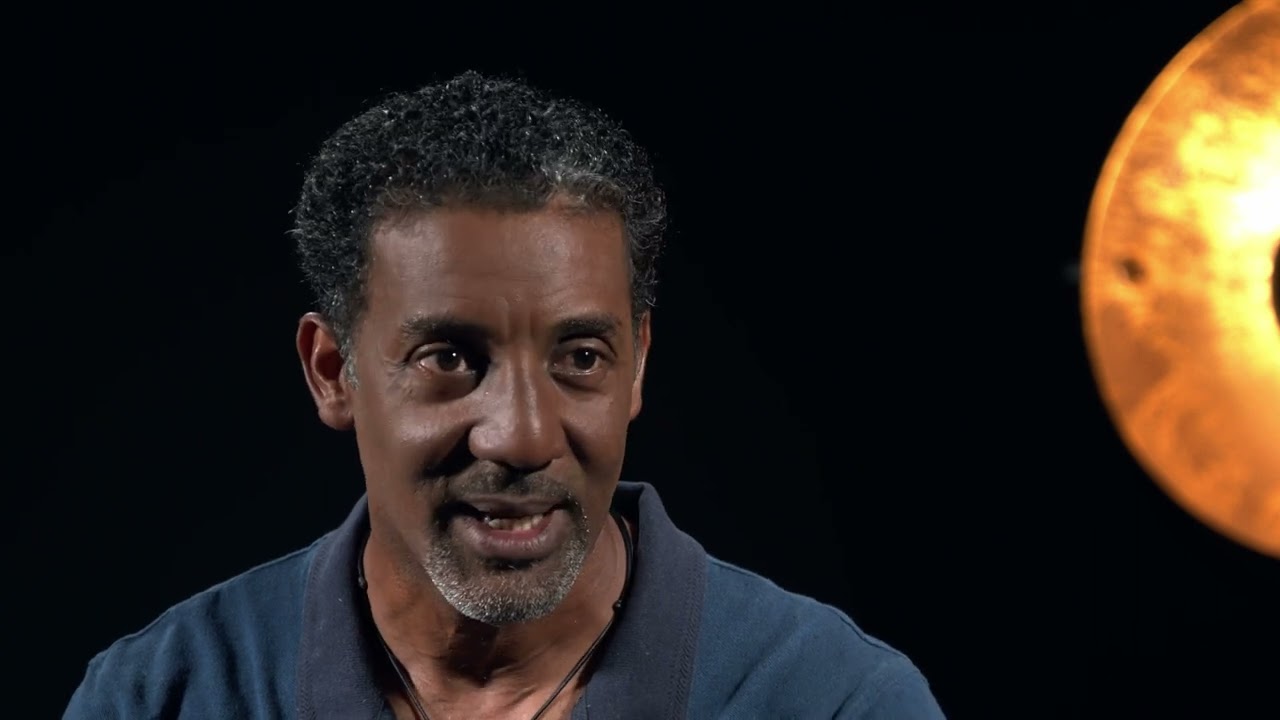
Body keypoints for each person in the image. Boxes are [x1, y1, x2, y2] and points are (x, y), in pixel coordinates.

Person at [63, 70, 945, 719]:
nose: (522, 437)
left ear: (638, 365)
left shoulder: (835, 701)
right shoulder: (162, 697)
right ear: (333, 371)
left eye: (581, 357)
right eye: (450, 358)